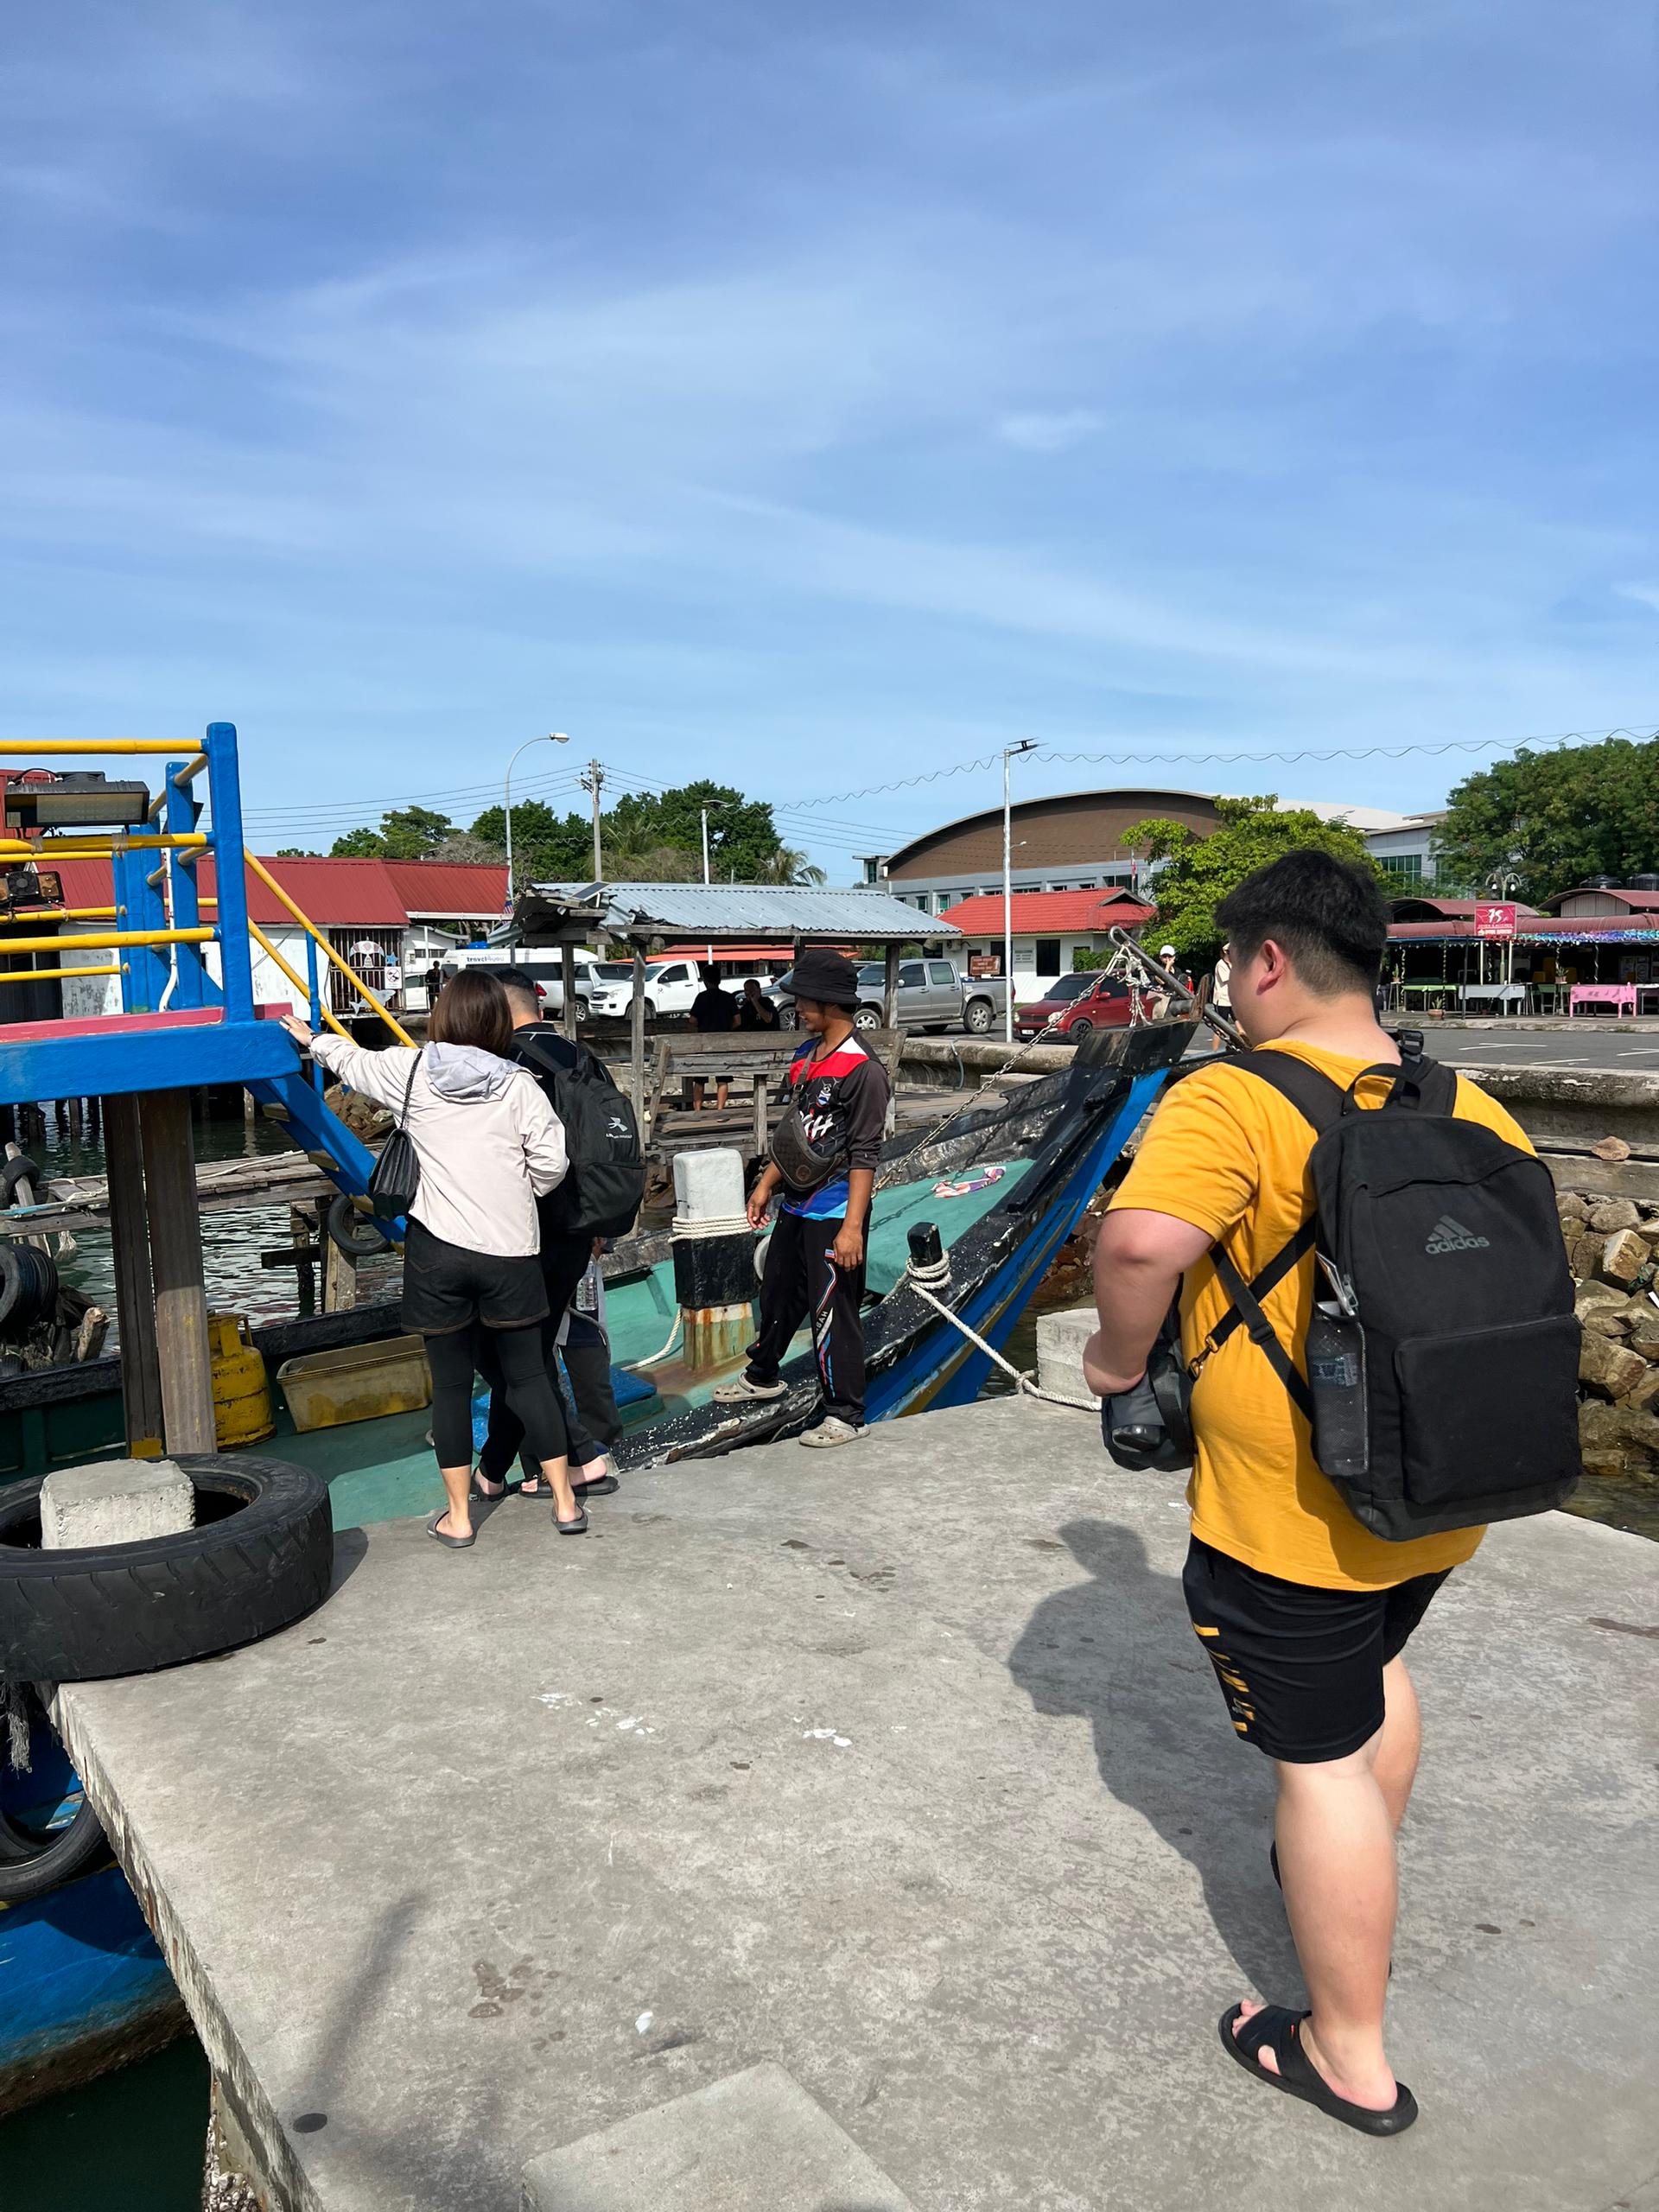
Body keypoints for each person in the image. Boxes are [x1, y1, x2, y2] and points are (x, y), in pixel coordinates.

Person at [1081, 849, 1534, 2137]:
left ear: (1269, 960)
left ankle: (1346, 2053)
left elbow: (1139, 1242)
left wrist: (1115, 1363)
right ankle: (1346, 1864)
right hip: (1441, 1478)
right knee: (1376, 1667)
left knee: (1319, 1764)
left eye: (1232, 962)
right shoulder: (1462, 1097)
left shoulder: (1235, 1096)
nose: (1229, 984)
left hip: (1296, 1509)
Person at [280, 971, 586, 1543]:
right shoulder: (520, 1084)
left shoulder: (411, 1069)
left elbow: (353, 1062)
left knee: (449, 1387)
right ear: (498, 1023)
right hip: (510, 1253)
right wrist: (513, 1191)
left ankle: (460, 1518)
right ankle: (566, 1504)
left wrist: (312, 1039)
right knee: (527, 1377)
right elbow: (552, 1163)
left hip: (437, 1254)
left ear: (442, 1017)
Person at [711, 948, 890, 1446]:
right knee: (778, 1291)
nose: (796, 1009)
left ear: (830, 1003)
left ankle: (846, 1414)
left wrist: (851, 1228)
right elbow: (796, 1135)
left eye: (804, 1001)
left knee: (831, 1308)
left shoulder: (864, 1071)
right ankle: (762, 1375)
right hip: (795, 1202)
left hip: (835, 1210)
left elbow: (865, 1154)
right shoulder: (804, 1058)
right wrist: (766, 1184)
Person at [470, 972, 622, 1502]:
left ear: (497, 1006)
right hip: (581, 1229)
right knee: (531, 1351)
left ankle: (576, 1457)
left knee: (513, 1357)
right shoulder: (584, 1058)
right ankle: (502, 1468)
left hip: (527, 1231)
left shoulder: (506, 1064)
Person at [689, 963, 737, 1111]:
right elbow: (738, 1020)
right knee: (722, 1079)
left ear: (705, 980)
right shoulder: (728, 997)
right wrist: (727, 1028)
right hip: (723, 1041)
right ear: (719, 979)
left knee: (699, 1079)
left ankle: (697, 1112)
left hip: (704, 1042)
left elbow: (693, 1020)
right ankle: (720, 1111)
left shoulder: (701, 997)